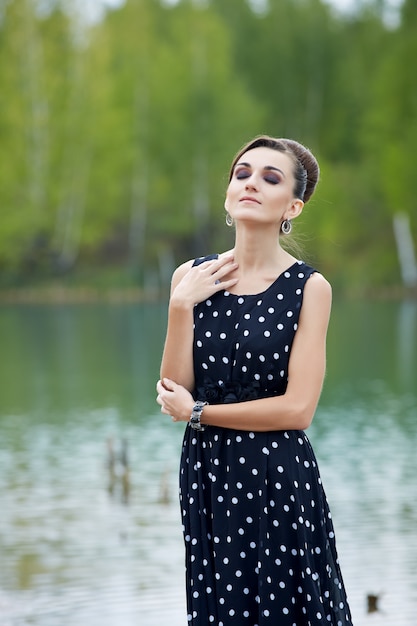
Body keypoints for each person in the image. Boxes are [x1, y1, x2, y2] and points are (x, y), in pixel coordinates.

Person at [156, 135, 353, 625]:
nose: (250, 184)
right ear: (227, 192)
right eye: (242, 174)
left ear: (293, 206)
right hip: (207, 471)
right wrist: (182, 306)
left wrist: (201, 414)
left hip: (277, 472)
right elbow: (173, 387)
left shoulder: (309, 288)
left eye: (270, 177)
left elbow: (297, 410)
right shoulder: (191, 277)